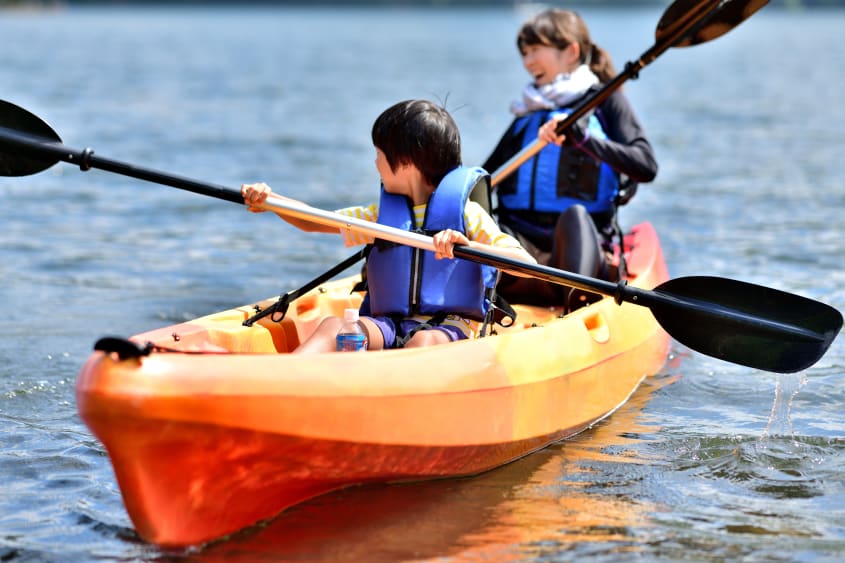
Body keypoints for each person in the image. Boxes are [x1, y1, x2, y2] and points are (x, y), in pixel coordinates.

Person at [242, 99, 535, 354]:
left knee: (424, 341)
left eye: (379, 154)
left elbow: (525, 264)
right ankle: (290, 383)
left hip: (450, 328)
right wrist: (270, 201)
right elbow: (314, 221)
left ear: (406, 163)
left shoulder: (469, 216)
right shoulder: (379, 217)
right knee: (336, 327)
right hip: (387, 325)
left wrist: (469, 248)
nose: (375, 162)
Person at [482, 8, 658, 309]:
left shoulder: (605, 101)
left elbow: (645, 165)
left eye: (536, 50)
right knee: (477, 223)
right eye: (524, 53)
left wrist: (585, 140)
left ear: (571, 52)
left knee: (575, 216)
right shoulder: (529, 114)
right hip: (521, 256)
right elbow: (484, 181)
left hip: (577, 259)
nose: (528, 62)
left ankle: (575, 312)